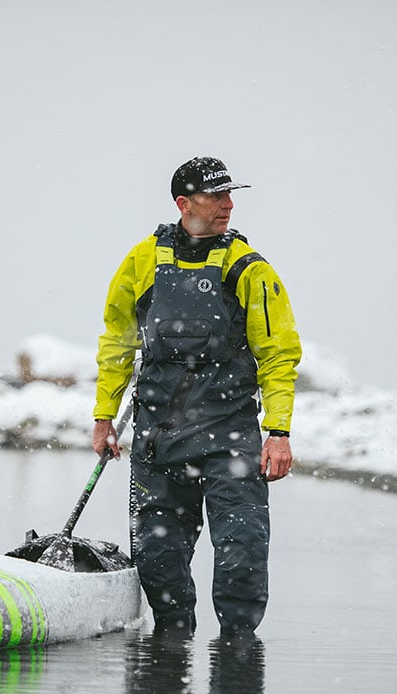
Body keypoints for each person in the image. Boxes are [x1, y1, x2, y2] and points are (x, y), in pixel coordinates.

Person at [92, 156, 302, 634]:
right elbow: (117, 341)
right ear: (184, 203)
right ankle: (166, 672)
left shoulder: (249, 268)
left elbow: (278, 353)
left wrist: (279, 431)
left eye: (231, 196)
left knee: (240, 557)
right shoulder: (143, 260)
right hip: (158, 439)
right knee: (159, 565)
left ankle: (238, 664)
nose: (228, 205)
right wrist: (104, 416)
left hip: (230, 436)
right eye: (216, 196)